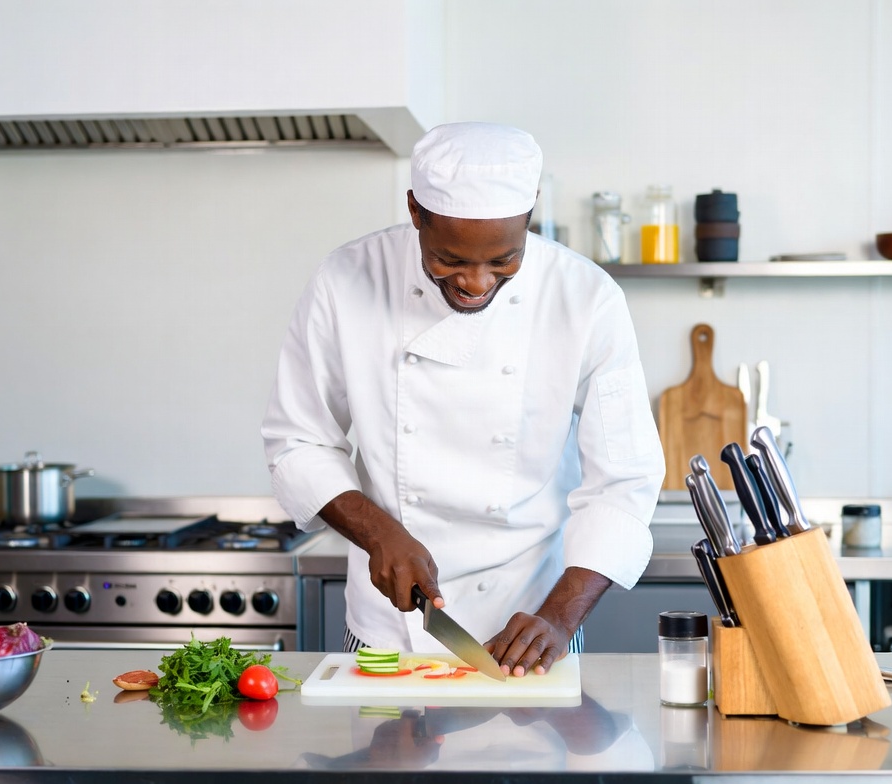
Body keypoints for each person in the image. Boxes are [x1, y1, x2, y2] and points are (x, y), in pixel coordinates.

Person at [262, 122, 664, 676]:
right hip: (389, 631)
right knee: (388, 761)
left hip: (534, 631)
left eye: (503, 261)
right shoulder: (346, 280)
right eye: (450, 259)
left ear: (531, 212)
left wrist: (559, 617)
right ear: (415, 211)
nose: (475, 282)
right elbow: (298, 441)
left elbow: (624, 483)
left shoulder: (586, 298)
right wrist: (377, 531)